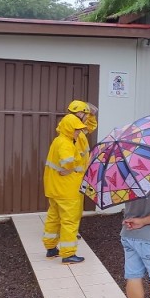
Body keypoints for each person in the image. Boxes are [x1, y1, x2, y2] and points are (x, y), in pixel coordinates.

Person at [42, 100, 98, 264]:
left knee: (54, 217)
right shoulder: (66, 143)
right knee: (69, 221)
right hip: (67, 188)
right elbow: (67, 161)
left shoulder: (63, 138)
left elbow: (87, 128)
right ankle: (68, 254)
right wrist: (74, 165)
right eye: (77, 130)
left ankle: (51, 248)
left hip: (55, 188)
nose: (80, 131)